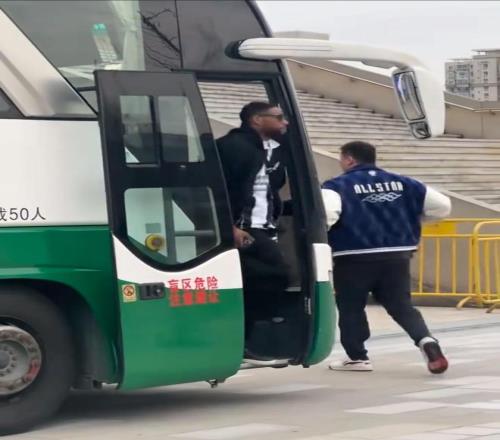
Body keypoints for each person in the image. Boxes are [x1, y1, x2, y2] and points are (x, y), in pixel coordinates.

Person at [321, 141, 451, 374]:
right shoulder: (405, 182)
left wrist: (323, 235)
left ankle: (358, 357)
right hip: (397, 255)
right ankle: (426, 340)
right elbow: (442, 206)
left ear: (349, 159)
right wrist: (413, 220)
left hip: (353, 257)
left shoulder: (337, 185)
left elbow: (327, 214)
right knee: (401, 305)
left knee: (351, 307)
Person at [216, 102, 290, 351]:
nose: (284, 122)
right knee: (275, 274)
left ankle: (247, 336)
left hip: (261, 226)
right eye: (278, 117)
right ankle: (249, 335)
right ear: (257, 120)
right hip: (245, 228)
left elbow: (266, 191)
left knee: (255, 279)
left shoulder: (262, 149)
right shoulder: (235, 147)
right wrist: (229, 226)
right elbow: (223, 190)